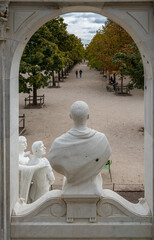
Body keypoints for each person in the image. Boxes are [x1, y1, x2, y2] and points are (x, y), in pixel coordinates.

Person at [48, 101, 111, 196]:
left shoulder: (58, 144)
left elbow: (53, 161)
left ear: (70, 116)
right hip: (93, 187)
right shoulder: (102, 140)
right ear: (88, 116)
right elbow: (107, 154)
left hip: (71, 188)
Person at [19, 136, 48, 203]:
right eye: (23, 142)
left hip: (31, 183)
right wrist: (37, 166)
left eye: (26, 142)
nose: (26, 144)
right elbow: (22, 169)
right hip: (22, 184)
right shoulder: (16, 157)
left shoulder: (25, 154)